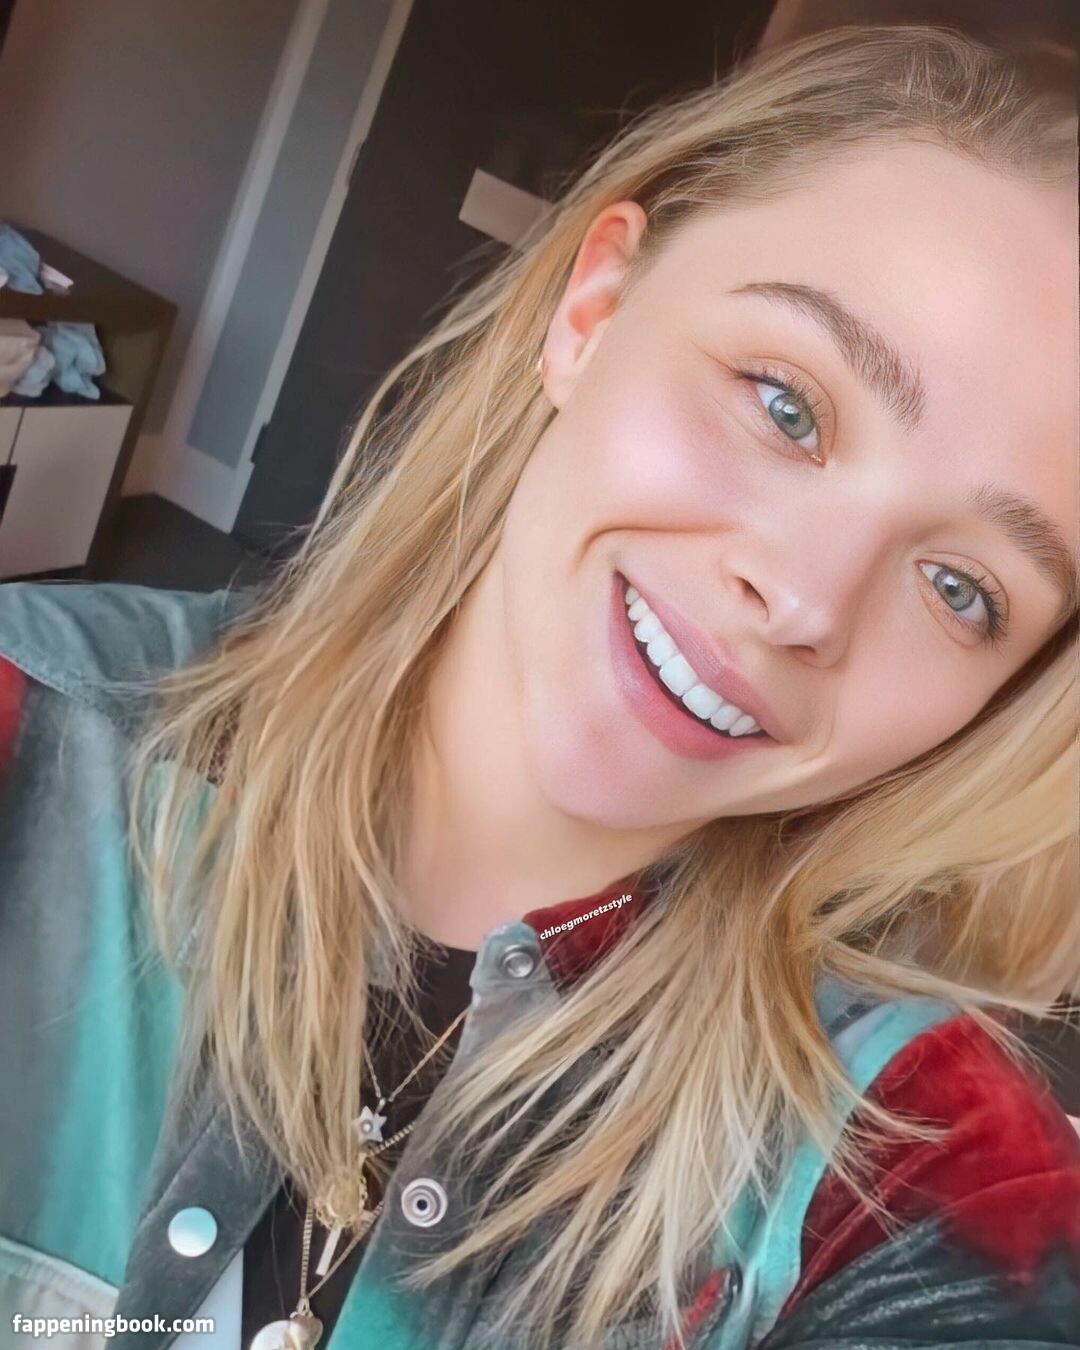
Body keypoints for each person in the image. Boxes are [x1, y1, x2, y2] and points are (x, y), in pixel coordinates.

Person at [0, 23, 1077, 1350]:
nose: (805, 602)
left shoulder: (918, 1173)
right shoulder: (29, 736)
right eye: (785, 405)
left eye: (961, 588)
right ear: (595, 310)